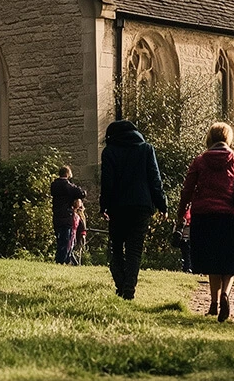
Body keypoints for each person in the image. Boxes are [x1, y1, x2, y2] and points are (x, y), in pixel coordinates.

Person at [177, 122, 234, 322]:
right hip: (230, 216)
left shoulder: (199, 161)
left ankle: (213, 303)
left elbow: (187, 190)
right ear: (228, 139)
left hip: (204, 217)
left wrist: (181, 213)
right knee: (229, 261)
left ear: (210, 139)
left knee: (212, 261)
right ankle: (226, 295)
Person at [100, 120, 166, 300]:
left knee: (116, 248)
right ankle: (129, 289)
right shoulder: (146, 149)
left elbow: (107, 183)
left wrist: (103, 206)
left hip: (117, 207)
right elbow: (155, 179)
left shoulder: (109, 152)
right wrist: (162, 205)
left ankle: (121, 284)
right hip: (141, 206)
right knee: (134, 250)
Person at [51, 165, 88, 265]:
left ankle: (61, 260)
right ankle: (61, 261)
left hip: (56, 215)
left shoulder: (54, 185)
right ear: (68, 174)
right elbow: (80, 193)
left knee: (59, 240)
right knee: (66, 240)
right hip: (66, 216)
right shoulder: (67, 185)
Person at [70, 201, 89, 266]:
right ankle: (76, 263)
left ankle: (76, 263)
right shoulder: (79, 215)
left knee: (77, 249)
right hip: (77, 233)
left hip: (78, 233)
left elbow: (83, 227)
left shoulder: (80, 215)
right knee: (75, 249)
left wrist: (83, 234)